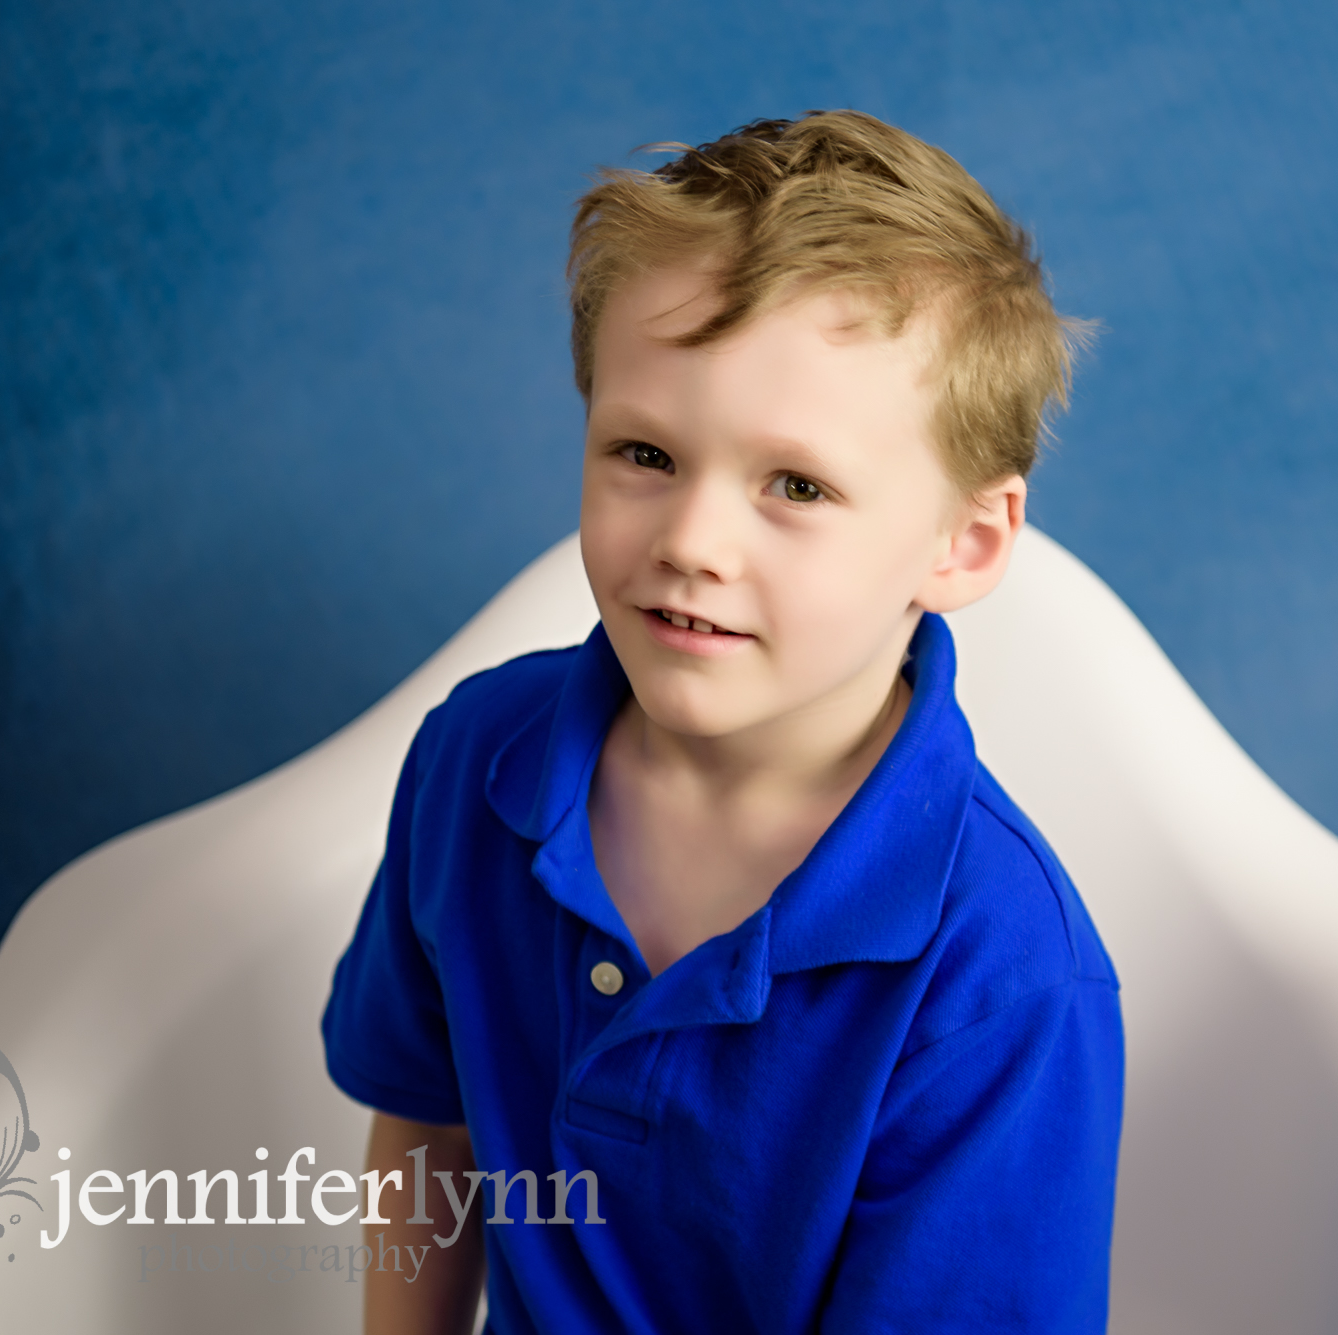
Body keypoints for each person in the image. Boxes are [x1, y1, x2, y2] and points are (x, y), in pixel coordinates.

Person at [321, 109, 1123, 1333]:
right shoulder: (474, 762)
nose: (691, 542)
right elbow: (425, 1130)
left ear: (962, 544)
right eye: (643, 452)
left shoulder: (1004, 979)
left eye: (794, 485)